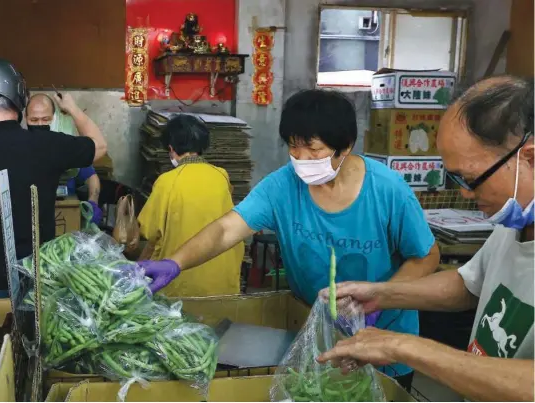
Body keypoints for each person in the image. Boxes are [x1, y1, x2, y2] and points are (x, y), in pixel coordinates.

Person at [141, 89, 440, 389]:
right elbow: (226, 230)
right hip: (319, 337)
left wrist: (382, 297)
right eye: (294, 148)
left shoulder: (387, 190)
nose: (301, 159)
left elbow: (427, 256)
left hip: (384, 338)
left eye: (313, 150)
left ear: (345, 146)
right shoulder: (282, 186)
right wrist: (175, 262)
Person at [317, 76, 534, 402]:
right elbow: (469, 285)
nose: (463, 191)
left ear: (529, 158)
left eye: (472, 179)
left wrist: (405, 346)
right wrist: (382, 295)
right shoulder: (513, 220)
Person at [0, 57, 107, 301]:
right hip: (37, 277)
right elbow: (99, 146)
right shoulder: (47, 144)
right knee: (35, 339)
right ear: (19, 102)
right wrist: (72, 108)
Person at [137, 115, 243, 297]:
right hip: (222, 280)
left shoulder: (167, 181)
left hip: (180, 280)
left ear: (171, 149)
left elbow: (149, 231)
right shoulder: (221, 176)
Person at [25, 94, 102, 224]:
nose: (40, 124)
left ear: (54, 119)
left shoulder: (62, 146)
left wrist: (92, 202)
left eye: (45, 119)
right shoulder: (20, 147)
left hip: (65, 216)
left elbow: (92, 177)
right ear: (26, 119)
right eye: (34, 120)